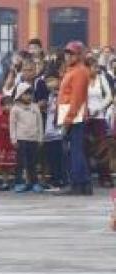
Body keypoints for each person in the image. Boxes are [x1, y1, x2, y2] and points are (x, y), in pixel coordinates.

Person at [58, 41, 92, 195]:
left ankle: (78, 183)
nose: (68, 56)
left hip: (74, 115)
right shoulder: (72, 70)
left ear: (79, 55)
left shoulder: (79, 71)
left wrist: (68, 120)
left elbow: (77, 99)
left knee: (75, 151)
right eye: (67, 53)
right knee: (75, 150)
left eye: (72, 53)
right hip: (70, 113)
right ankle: (83, 183)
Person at [85, 57, 113, 188]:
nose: (95, 69)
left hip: (99, 117)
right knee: (85, 147)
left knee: (102, 148)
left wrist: (99, 108)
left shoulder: (101, 78)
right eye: (93, 67)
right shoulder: (82, 79)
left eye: (96, 67)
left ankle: (105, 177)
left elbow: (109, 96)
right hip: (85, 117)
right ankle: (86, 177)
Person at [10, 84, 44, 193]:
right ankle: (19, 182)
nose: (28, 97)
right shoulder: (15, 109)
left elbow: (40, 123)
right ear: (20, 95)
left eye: (30, 94)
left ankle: (34, 182)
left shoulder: (35, 107)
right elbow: (12, 125)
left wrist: (40, 138)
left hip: (33, 139)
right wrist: (13, 139)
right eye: (25, 94)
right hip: (21, 139)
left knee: (32, 163)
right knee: (20, 163)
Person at [43, 73, 67, 190]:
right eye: (48, 81)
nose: (50, 83)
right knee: (50, 157)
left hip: (58, 132)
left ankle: (60, 179)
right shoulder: (49, 96)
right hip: (48, 131)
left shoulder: (62, 95)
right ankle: (54, 179)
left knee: (59, 157)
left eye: (52, 80)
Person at [0, 96, 16, 191]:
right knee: (3, 166)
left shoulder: (15, 118)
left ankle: (15, 182)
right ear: (1, 107)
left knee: (12, 165)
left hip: (12, 146)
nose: (8, 107)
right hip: (1, 146)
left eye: (10, 105)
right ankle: (5, 182)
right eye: (5, 105)